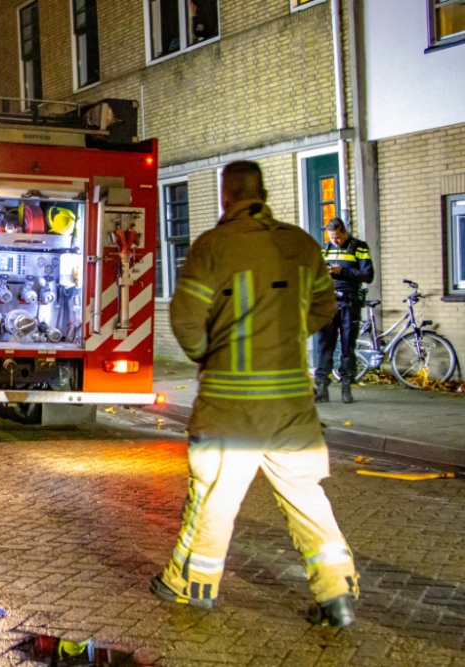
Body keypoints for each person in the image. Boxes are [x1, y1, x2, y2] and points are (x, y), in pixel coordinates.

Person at [151, 161, 359, 628]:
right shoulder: (303, 245)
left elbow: (186, 324)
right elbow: (325, 307)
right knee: (307, 499)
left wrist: (213, 351)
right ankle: (337, 594)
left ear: (226, 196)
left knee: (214, 499)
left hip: (232, 406)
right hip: (292, 405)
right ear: (263, 193)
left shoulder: (212, 247)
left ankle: (192, 587)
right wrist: (283, 337)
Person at [315, 218, 374, 404]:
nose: (335, 241)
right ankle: (322, 387)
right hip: (330, 303)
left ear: (344, 233)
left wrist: (342, 271)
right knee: (325, 345)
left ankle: (346, 387)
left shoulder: (359, 248)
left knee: (348, 346)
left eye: (338, 237)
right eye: (331, 237)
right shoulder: (325, 249)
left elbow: (368, 275)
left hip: (350, 303)